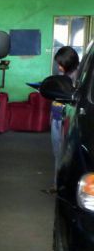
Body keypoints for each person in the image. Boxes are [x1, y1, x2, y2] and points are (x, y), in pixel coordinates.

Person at [46, 46, 80, 176]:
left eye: (61, 64)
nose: (59, 67)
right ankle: (56, 184)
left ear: (69, 63)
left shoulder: (78, 78)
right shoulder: (62, 75)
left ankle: (61, 186)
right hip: (56, 116)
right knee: (57, 153)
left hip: (66, 120)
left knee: (64, 154)